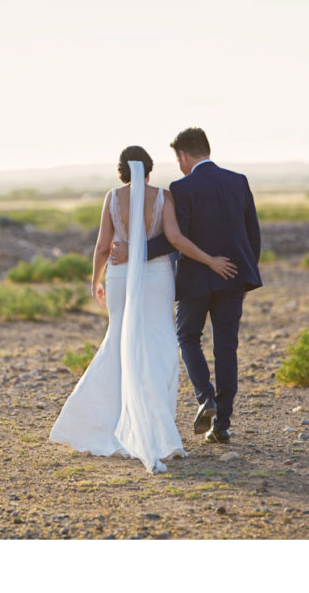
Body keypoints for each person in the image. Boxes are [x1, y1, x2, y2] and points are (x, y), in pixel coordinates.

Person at [48, 146, 237, 474]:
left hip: (120, 276)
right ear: (148, 169)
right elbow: (176, 239)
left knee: (120, 342)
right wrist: (209, 259)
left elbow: (103, 246)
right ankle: (159, 430)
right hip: (158, 277)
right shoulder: (164, 196)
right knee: (161, 345)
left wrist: (95, 280)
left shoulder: (112, 198)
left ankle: (105, 422)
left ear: (122, 170)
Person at [110, 128, 262, 443]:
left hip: (195, 280)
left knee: (188, 337)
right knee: (227, 347)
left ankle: (205, 396)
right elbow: (253, 234)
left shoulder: (183, 187)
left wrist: (135, 252)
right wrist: (244, 276)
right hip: (233, 277)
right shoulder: (239, 181)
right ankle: (222, 425)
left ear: (182, 155)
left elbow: (175, 238)